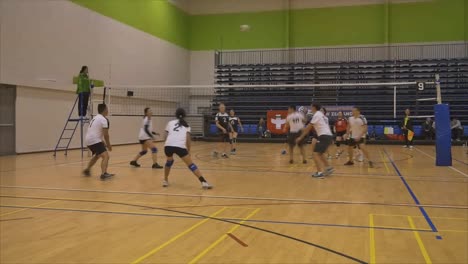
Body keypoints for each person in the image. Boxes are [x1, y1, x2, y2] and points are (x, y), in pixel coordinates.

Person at [163, 108, 212, 189]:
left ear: (176, 114)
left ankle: (165, 180)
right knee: (191, 165)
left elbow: (165, 135)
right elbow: (188, 139)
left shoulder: (170, 122)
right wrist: (188, 150)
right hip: (180, 146)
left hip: (168, 145)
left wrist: (167, 144)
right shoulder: (187, 125)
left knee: (169, 162)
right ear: (185, 115)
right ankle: (203, 182)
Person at [296, 103, 334, 178]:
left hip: (324, 136)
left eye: (311, 107)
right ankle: (328, 168)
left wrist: (300, 137)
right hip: (328, 135)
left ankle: (319, 173)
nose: (311, 108)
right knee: (320, 153)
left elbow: (308, 128)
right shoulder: (321, 114)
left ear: (314, 107)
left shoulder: (316, 115)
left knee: (315, 154)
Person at [82, 104, 114, 180]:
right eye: (107, 109)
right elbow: (106, 135)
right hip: (94, 140)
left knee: (97, 155)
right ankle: (104, 174)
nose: (108, 110)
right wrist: (109, 145)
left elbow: (95, 131)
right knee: (106, 156)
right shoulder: (104, 119)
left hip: (88, 140)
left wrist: (102, 142)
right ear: (105, 110)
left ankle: (87, 170)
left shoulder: (95, 117)